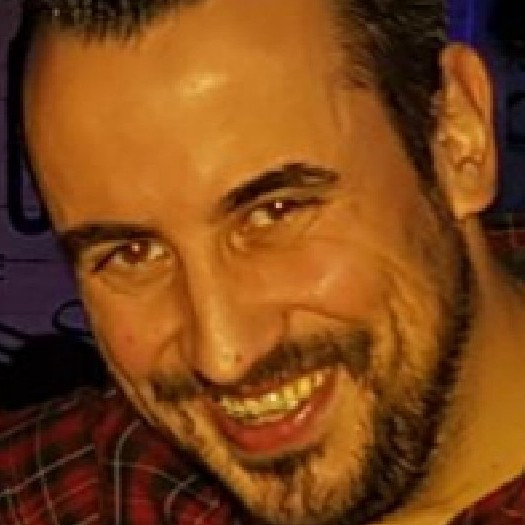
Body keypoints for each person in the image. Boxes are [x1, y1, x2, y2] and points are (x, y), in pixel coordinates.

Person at [2, 0, 525, 524]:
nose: (222, 355)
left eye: (274, 213)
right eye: (133, 254)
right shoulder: (106, 485)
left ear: (457, 140)